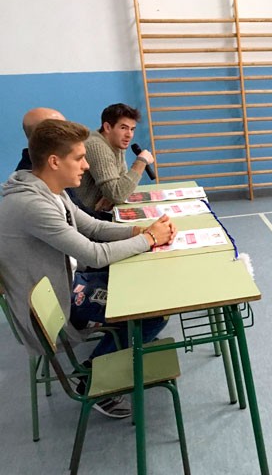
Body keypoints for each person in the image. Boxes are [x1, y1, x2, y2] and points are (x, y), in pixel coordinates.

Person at [0, 119, 177, 417]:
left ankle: (124, 342)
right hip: (55, 302)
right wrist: (149, 239)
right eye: (79, 159)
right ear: (54, 161)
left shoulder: (50, 190)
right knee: (153, 314)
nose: (85, 166)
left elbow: (93, 227)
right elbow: (95, 254)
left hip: (67, 279)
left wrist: (138, 232)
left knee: (138, 282)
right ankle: (90, 381)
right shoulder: (33, 204)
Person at [75, 103, 155, 213]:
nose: (129, 135)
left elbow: (121, 186)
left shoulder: (117, 143)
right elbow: (118, 194)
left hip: (97, 213)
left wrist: (110, 196)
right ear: (107, 127)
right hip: (84, 217)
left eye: (132, 129)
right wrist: (141, 161)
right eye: (124, 128)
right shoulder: (96, 146)